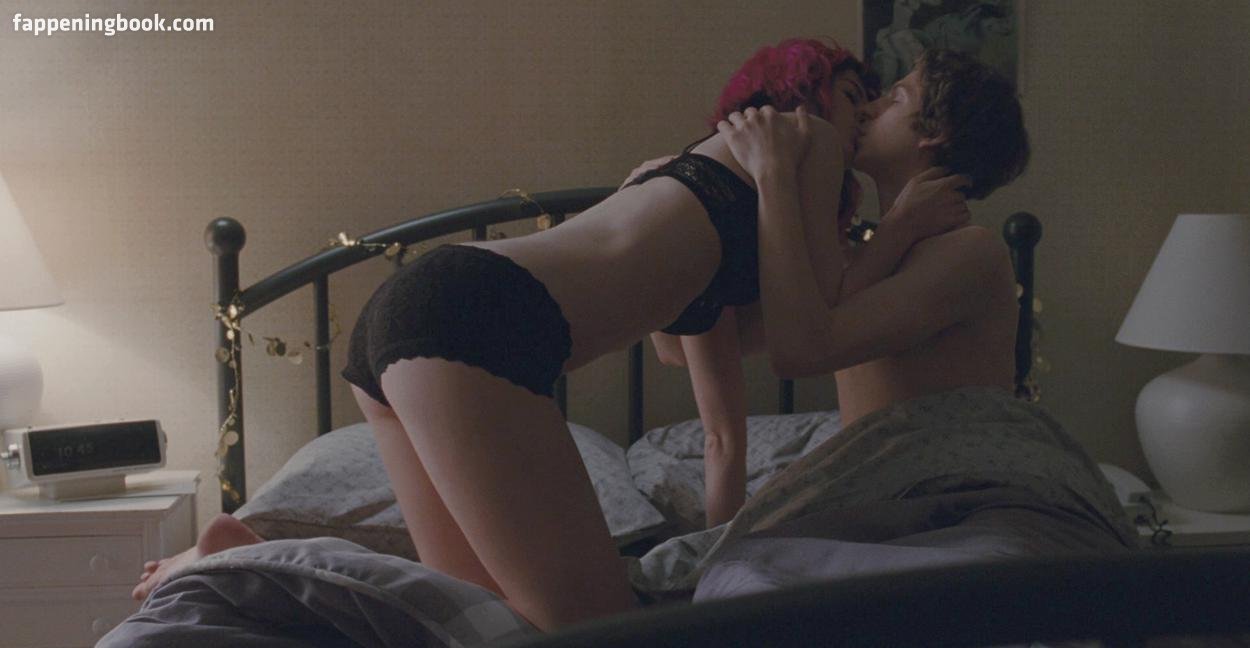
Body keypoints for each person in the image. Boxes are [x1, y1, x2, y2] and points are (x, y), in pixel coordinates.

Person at [132, 37, 885, 631]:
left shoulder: (692, 198)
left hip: (422, 311)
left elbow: (688, 367)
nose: (865, 115)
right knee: (595, 632)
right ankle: (267, 561)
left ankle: (258, 560)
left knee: (479, 619)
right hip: (475, 324)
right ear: (802, 89)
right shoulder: (802, 141)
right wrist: (893, 224)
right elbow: (810, 332)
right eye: (854, 96)